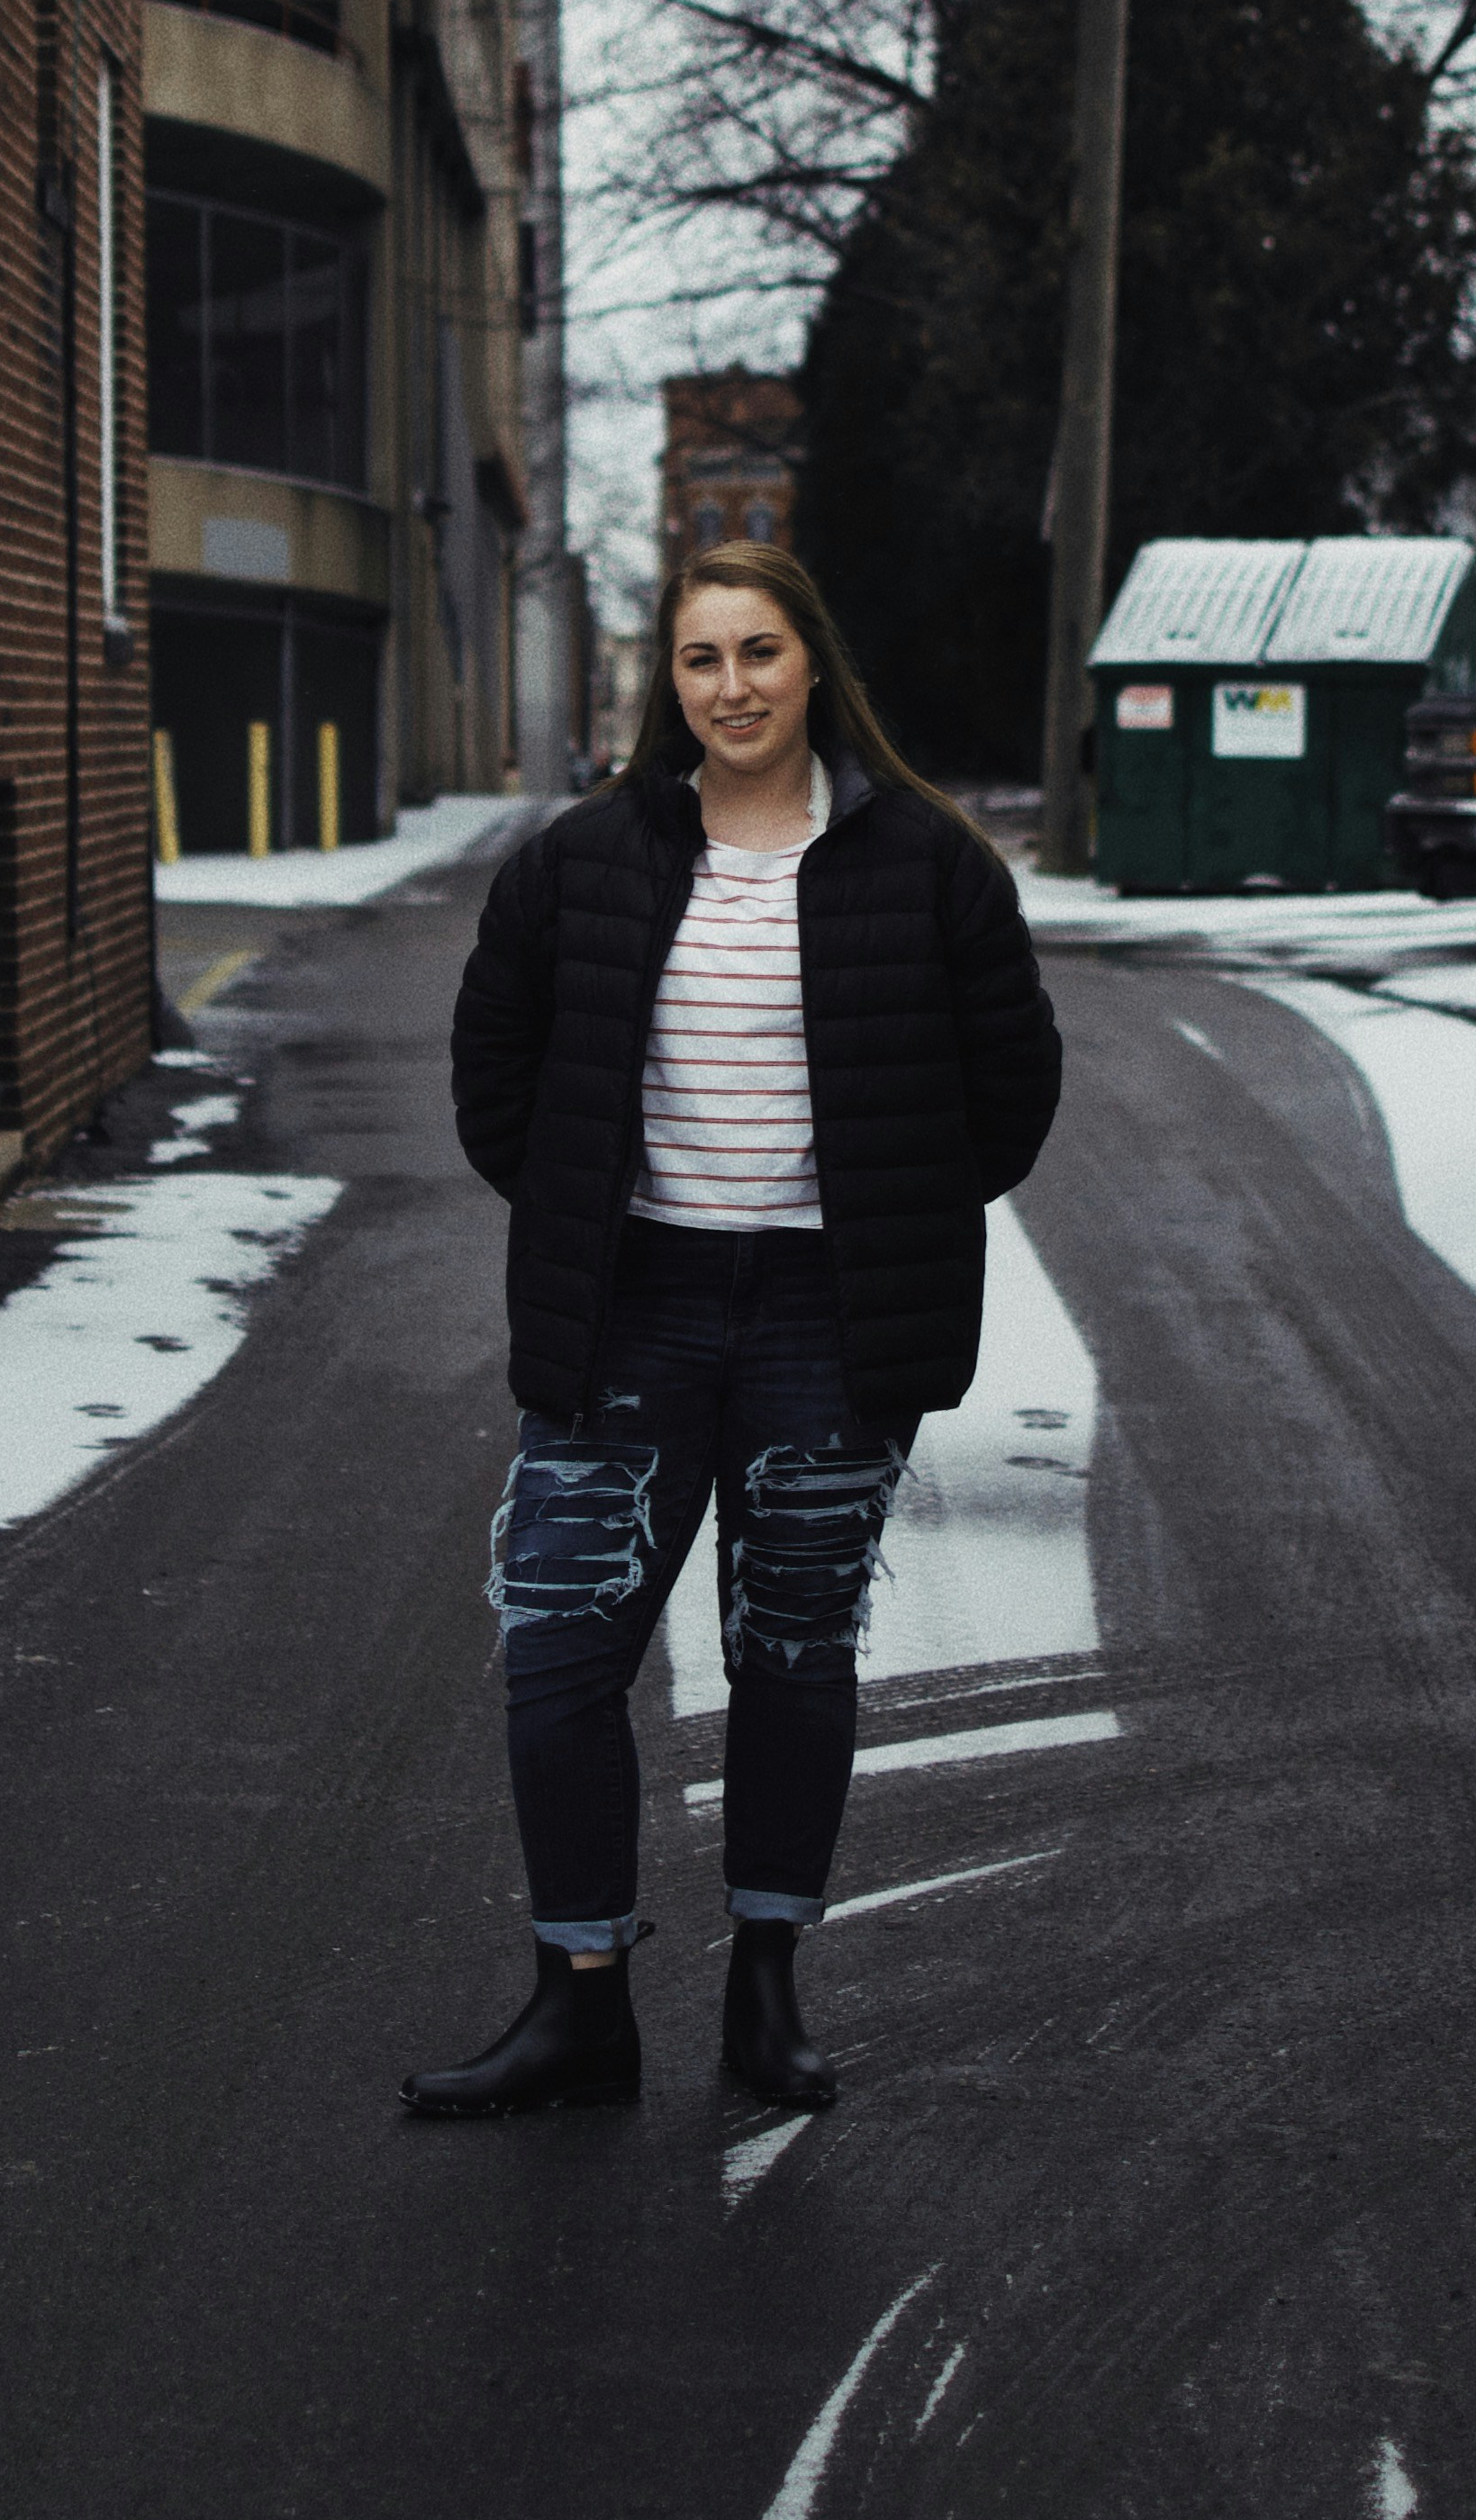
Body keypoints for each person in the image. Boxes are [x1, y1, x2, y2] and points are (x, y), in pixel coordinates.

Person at [403, 541, 1063, 2121]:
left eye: (759, 652)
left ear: (811, 663)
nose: (733, 687)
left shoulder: (928, 864)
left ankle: (767, 1992)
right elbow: (496, 1070)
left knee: (791, 1650)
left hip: (827, 1321)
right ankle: (582, 2004)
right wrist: (581, 1207)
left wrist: (891, 1214)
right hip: (633, 1305)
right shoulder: (587, 862)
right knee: (558, 1656)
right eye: (702, 660)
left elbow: (1011, 1090)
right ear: (670, 684)